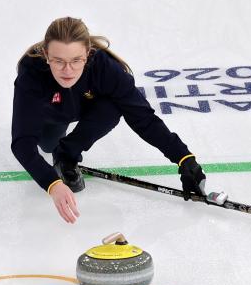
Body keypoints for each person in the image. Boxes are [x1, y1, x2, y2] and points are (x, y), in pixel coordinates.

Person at [11, 17, 212, 223]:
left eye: (76, 60)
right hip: (51, 113)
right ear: (46, 55)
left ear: (88, 53)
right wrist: (52, 184)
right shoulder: (32, 72)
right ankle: (57, 146)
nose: (68, 70)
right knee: (47, 143)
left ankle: (66, 154)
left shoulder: (106, 68)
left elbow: (143, 118)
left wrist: (184, 158)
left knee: (114, 106)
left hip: (87, 106)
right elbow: (22, 142)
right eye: (58, 61)